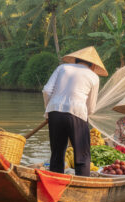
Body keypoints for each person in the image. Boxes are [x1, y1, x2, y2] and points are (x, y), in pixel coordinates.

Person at [43, 46, 107, 176]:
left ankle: (56, 183)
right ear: (93, 65)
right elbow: (91, 108)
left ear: (76, 60)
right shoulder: (93, 76)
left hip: (54, 111)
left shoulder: (62, 68)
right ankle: (83, 186)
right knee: (82, 156)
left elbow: (46, 90)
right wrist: (84, 115)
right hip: (77, 113)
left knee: (57, 153)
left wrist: (49, 111)